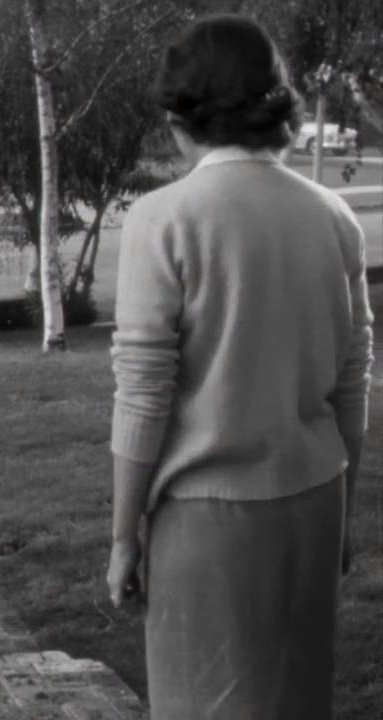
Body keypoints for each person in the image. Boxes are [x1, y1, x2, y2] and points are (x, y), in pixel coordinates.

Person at [105, 14, 374, 720]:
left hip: (206, 520)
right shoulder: (333, 217)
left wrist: (123, 537)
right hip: (315, 503)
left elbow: (143, 392)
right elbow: (353, 379)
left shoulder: (163, 220)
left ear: (179, 116)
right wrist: (345, 512)